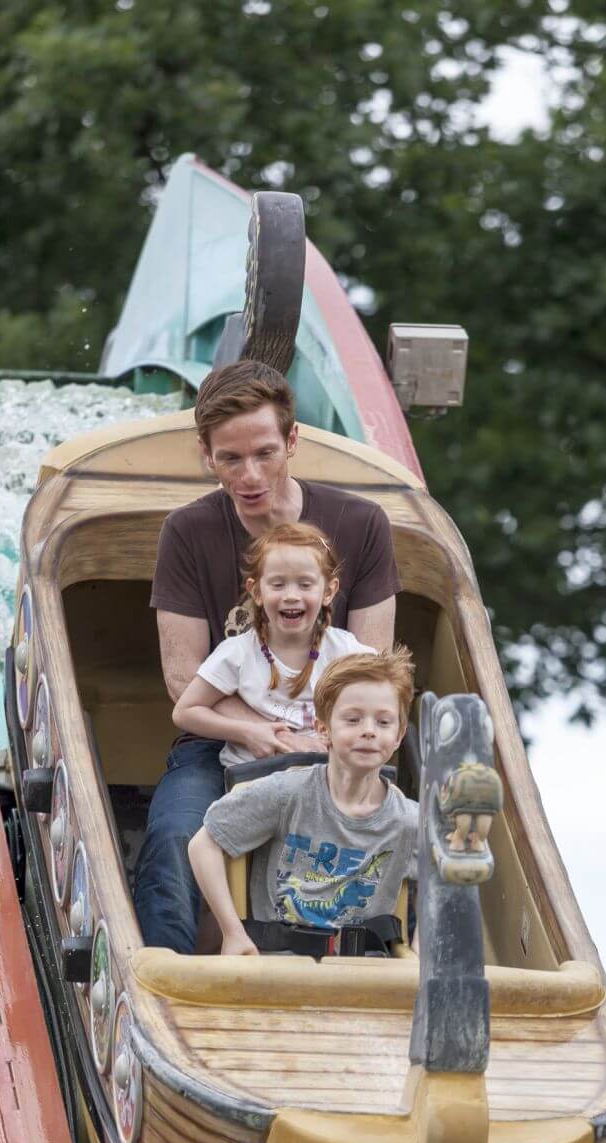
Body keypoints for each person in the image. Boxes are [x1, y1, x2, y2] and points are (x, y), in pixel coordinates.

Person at [134, 359, 399, 953]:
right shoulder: (188, 531)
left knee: (388, 827)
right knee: (177, 830)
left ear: (293, 442)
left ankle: (373, 964)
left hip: (333, 733)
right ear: (206, 455)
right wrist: (262, 732)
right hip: (221, 735)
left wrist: (321, 738)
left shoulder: (362, 524)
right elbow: (183, 677)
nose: (250, 475)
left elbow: (371, 669)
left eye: (265, 453)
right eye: (230, 459)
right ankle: (164, 973)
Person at [188, 648, 418, 958]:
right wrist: (232, 933)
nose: (368, 730)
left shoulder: (409, 821)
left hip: (366, 977)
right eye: (352, 720)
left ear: (399, 735)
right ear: (324, 729)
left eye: (383, 722)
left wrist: (420, 953)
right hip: (278, 968)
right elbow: (203, 844)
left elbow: (445, 883)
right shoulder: (288, 794)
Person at [172, 521, 374, 767]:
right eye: (278, 584)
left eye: (305, 584)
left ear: (328, 591)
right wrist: (247, 732)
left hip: (326, 776)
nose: (291, 595)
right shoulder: (238, 652)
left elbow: (388, 693)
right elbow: (186, 712)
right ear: (256, 591)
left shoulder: (345, 651)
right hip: (254, 775)